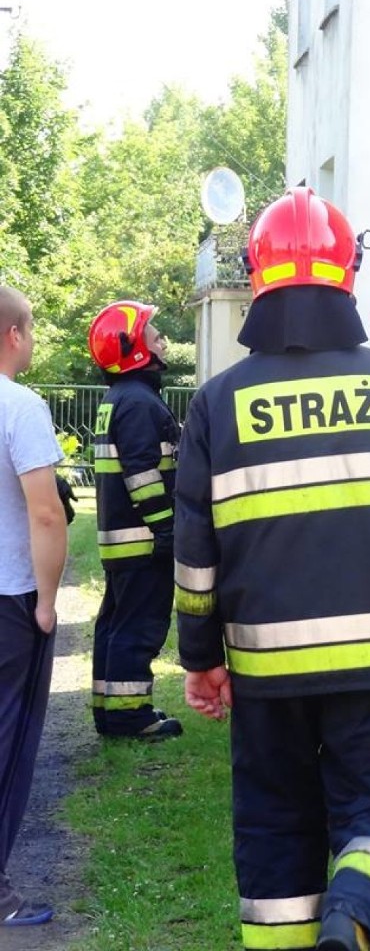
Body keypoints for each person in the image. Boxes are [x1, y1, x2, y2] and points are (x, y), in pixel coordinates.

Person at [174, 188, 370, 951]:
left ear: (257, 277)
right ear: (349, 273)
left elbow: (195, 559)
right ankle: (357, 923)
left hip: (265, 670)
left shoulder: (217, 404)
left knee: (276, 823)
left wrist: (203, 660)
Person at [0, 286, 68, 927]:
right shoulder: (19, 407)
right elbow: (46, 513)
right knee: (8, 741)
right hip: (10, 598)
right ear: (15, 334)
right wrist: (47, 604)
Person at [88, 300, 182, 740]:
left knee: (115, 625)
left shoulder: (120, 399)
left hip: (122, 541)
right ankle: (131, 717)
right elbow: (144, 476)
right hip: (144, 542)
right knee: (139, 627)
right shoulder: (140, 403)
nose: (161, 338)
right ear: (132, 348)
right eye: (153, 332)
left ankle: (111, 709)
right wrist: (166, 528)